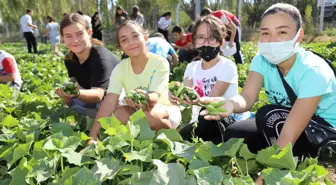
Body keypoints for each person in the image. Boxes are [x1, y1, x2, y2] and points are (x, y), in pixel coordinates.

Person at [198, 3, 336, 163]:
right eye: (265, 33)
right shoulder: (261, 60)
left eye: (282, 32)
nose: (272, 40)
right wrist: (230, 104)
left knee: (268, 116)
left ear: (299, 36)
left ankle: (316, 152)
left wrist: (269, 172)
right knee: (235, 133)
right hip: (281, 121)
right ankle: (293, 152)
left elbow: (288, 133)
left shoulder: (314, 70)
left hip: (320, 129)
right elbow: (247, 97)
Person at [88, 21, 182, 142]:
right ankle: (140, 143)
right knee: (118, 114)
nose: (131, 42)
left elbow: (154, 98)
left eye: (135, 36)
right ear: (120, 47)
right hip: (138, 111)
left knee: (149, 116)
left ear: (145, 37)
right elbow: (109, 102)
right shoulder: (120, 68)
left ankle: (167, 142)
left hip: (163, 109)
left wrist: (143, 98)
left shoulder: (160, 62)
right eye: (124, 40)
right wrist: (92, 137)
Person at [169, 15, 239, 143]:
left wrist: (194, 99)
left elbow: (213, 100)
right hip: (198, 122)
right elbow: (187, 91)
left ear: (221, 42)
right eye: (200, 38)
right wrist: (176, 92)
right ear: (194, 42)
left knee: (208, 116)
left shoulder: (227, 66)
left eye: (212, 38)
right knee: (179, 141)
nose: (206, 43)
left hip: (223, 121)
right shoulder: (192, 67)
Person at [56, 13, 120, 118]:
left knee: (102, 107)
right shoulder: (69, 58)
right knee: (68, 104)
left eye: (79, 34)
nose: (75, 40)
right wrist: (67, 93)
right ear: (63, 38)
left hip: (118, 97)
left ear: (89, 33)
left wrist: (76, 94)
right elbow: (73, 80)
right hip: (96, 96)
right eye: (68, 36)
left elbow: (98, 95)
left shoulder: (100, 56)